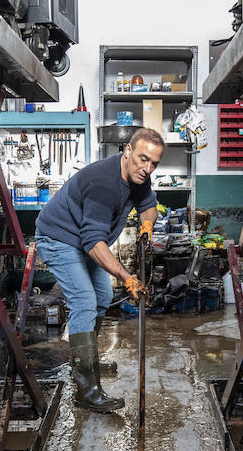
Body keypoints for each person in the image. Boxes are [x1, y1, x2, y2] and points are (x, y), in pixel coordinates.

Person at [35, 128, 162, 413]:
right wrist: (126, 277)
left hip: (82, 241)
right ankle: (87, 388)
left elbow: (149, 204)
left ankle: (86, 358)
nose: (148, 168)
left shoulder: (139, 175)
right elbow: (93, 243)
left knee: (102, 298)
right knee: (84, 301)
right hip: (59, 238)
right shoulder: (104, 183)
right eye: (143, 159)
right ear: (127, 150)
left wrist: (147, 225)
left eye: (154, 163)